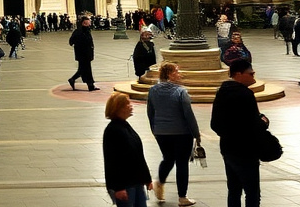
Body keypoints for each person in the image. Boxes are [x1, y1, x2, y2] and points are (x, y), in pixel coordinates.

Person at [211, 60, 268, 207]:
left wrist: (229, 134)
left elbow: (214, 124)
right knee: (252, 192)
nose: (253, 76)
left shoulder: (221, 92)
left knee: (234, 190)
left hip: (228, 149)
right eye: (251, 73)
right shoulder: (245, 94)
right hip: (246, 151)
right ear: (238, 74)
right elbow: (253, 124)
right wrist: (264, 122)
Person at [146, 63, 200, 206]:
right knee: (182, 163)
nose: (179, 74)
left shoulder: (152, 90)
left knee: (168, 158)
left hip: (161, 132)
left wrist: (155, 129)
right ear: (169, 74)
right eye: (176, 71)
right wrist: (196, 134)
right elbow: (188, 114)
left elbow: (150, 113)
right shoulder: (181, 91)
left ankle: (159, 183)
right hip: (181, 132)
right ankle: (182, 197)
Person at [102, 92, 152, 207]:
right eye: (127, 104)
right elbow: (112, 161)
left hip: (136, 182)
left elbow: (138, 154)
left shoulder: (125, 126)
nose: (131, 105)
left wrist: (147, 178)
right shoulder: (112, 130)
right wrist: (118, 187)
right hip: (125, 184)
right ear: (119, 108)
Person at [68, 15, 98, 91]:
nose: (90, 24)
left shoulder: (87, 31)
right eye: (89, 22)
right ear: (84, 23)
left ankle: (72, 79)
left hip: (86, 54)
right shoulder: (78, 32)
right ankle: (90, 86)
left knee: (82, 70)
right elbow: (71, 42)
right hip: (82, 54)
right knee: (87, 70)